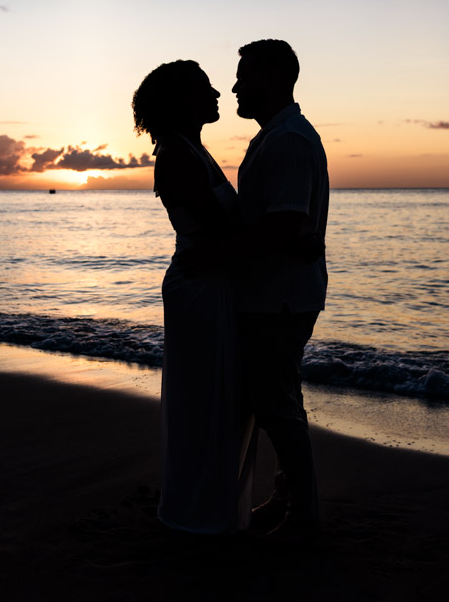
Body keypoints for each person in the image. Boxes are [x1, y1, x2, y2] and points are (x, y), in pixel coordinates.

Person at [132, 60, 254, 534]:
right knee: (205, 400)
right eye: (207, 86)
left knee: (220, 397)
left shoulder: (193, 150)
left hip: (212, 282)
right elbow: (222, 228)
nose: (218, 93)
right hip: (199, 289)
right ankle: (198, 512)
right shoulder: (178, 155)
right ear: (186, 99)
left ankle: (214, 508)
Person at [233, 39, 328, 542]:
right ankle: (291, 496)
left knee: (276, 405)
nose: (235, 87)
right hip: (279, 293)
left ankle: (304, 513)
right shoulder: (277, 135)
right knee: (280, 398)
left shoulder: (288, 140)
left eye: (244, 77)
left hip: (281, 296)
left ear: (271, 79)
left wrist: (219, 252)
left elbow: (286, 223)